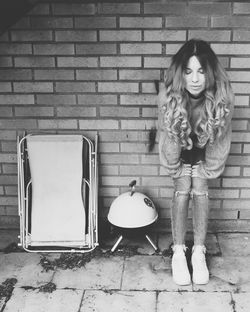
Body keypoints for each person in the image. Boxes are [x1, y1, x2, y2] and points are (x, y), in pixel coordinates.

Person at [157, 39, 234, 285]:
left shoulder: (222, 95)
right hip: (179, 156)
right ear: (181, 74)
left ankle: (198, 251)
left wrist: (208, 168)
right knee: (182, 192)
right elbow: (167, 138)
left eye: (201, 71)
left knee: (200, 191)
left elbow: (221, 139)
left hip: (204, 156)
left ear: (209, 73)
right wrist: (175, 166)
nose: (195, 79)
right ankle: (179, 252)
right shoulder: (170, 95)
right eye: (189, 71)